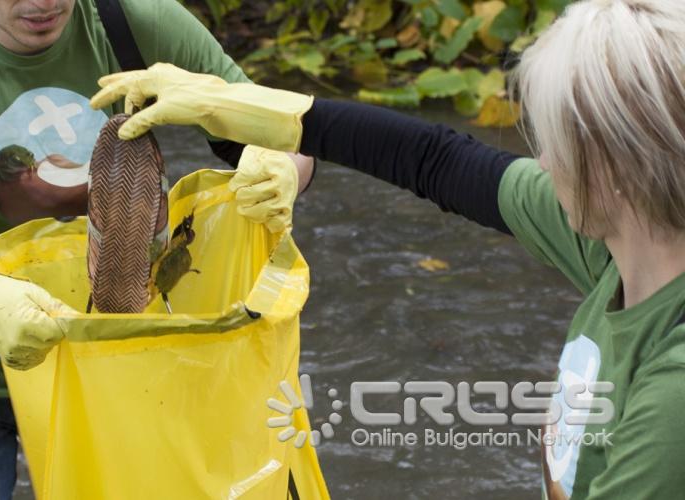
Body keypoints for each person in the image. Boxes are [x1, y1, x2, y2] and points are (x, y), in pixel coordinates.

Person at [90, 0, 685, 497]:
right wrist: (244, 109)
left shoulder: (672, 391)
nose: (544, 162)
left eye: (556, 143)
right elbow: (438, 160)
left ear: (617, 166)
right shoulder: (619, 242)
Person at [0, 0, 313, 497]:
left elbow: (292, 129)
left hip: (116, 366)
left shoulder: (138, 24)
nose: (44, 2)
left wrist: (284, 170)